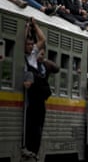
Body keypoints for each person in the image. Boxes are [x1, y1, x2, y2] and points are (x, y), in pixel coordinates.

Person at [22, 17, 59, 159]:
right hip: (31, 94)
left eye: (32, 44)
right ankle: (29, 148)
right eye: (29, 44)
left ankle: (34, 151)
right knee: (31, 124)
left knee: (38, 125)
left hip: (38, 95)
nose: (31, 46)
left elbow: (42, 40)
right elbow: (23, 40)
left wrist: (35, 25)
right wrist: (26, 28)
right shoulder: (24, 55)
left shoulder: (33, 55)